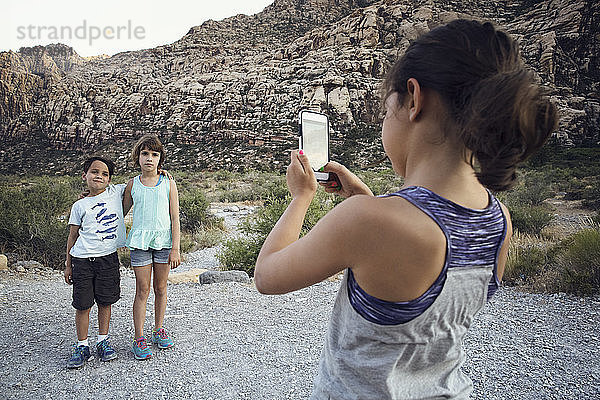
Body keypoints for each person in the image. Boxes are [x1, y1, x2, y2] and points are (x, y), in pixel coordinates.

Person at [254, 19, 558, 399]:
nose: (384, 121)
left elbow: (267, 276)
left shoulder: (369, 221)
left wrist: (301, 197)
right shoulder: (499, 220)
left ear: (414, 99)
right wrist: (367, 205)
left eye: (385, 111)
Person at [65, 156, 126, 368]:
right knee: (82, 304)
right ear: (84, 175)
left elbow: (141, 180)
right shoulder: (79, 205)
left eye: (104, 174)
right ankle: (82, 345)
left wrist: (162, 173)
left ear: (110, 180)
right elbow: (72, 237)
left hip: (107, 258)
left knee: (105, 301)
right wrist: (68, 264)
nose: (99, 176)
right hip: (82, 260)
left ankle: (103, 340)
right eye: (94, 172)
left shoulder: (115, 193)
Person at [123, 134, 181, 360]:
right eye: (144, 154)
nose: (149, 158)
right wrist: (90, 196)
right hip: (140, 243)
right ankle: (139, 337)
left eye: (154, 154)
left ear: (160, 159)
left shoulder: (168, 183)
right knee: (142, 290)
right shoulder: (132, 185)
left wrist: (176, 248)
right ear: (137, 157)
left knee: (161, 287)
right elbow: (119, 210)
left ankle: (158, 329)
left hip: (164, 243)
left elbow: (175, 218)